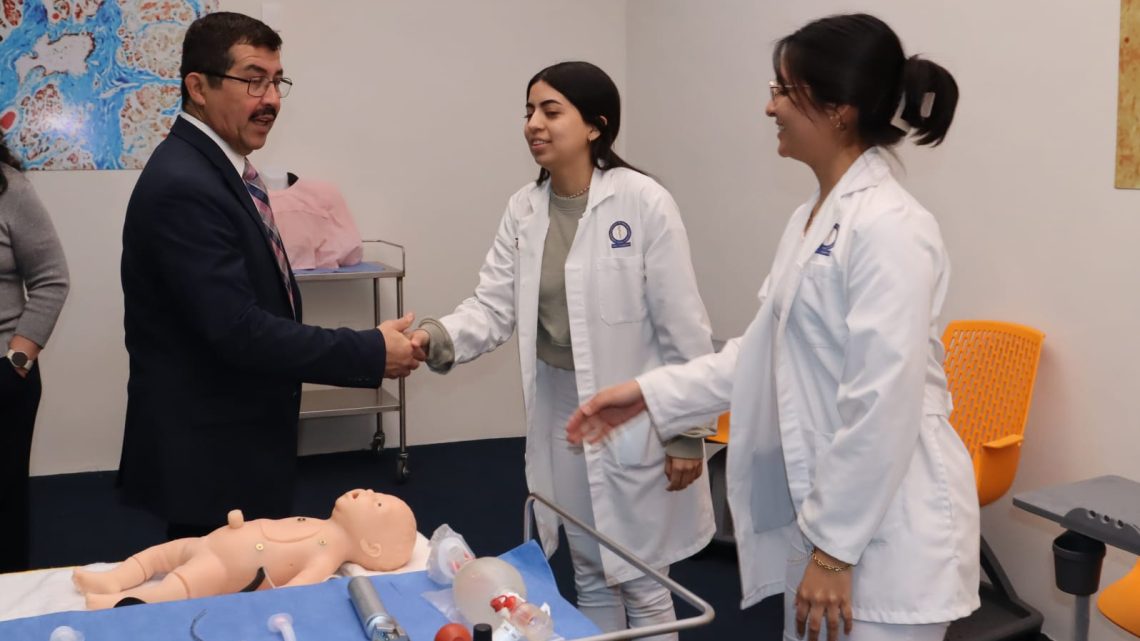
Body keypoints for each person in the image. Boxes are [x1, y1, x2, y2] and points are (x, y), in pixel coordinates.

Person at [568, 14, 979, 641]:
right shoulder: (811, 220)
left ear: (838, 109)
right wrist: (649, 396)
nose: (769, 107)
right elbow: (760, 354)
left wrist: (836, 551)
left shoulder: (891, 226)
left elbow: (882, 402)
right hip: (827, 517)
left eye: (784, 90)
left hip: (883, 535)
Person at [408, 62, 715, 638]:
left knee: (644, 580)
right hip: (562, 411)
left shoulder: (645, 202)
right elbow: (493, 307)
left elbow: (684, 326)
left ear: (596, 125)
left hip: (638, 413)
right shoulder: (524, 209)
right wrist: (433, 337)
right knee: (590, 571)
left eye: (551, 111)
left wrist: (686, 431)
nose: (533, 124)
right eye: (529, 111)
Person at [119, 12, 419, 542]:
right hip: (211, 452)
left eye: (277, 81)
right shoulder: (185, 183)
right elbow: (238, 331)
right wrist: (369, 351)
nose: (272, 99)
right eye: (253, 79)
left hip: (234, 439)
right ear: (198, 87)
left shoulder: (217, 168)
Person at [72, 489, 415, 609]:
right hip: (214, 541)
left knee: (173, 588)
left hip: (225, 569)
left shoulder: (329, 553)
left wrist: (263, 595)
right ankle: (114, 579)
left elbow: (298, 589)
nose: (367, 492)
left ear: (371, 546)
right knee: (158, 554)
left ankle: (115, 604)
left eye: (377, 504)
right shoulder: (324, 525)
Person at [0, 133, 69, 572]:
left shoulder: (10, 189)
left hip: (4, 378)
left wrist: (14, 367)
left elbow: (52, 279)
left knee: (3, 510)